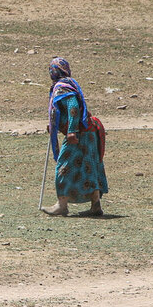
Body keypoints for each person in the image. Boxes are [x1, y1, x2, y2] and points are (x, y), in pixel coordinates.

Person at [42, 57, 108, 216]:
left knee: (63, 167)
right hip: (89, 132)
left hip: (77, 133)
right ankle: (95, 204)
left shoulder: (61, 87)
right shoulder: (70, 83)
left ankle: (62, 205)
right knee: (89, 166)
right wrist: (54, 125)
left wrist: (71, 131)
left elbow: (72, 107)